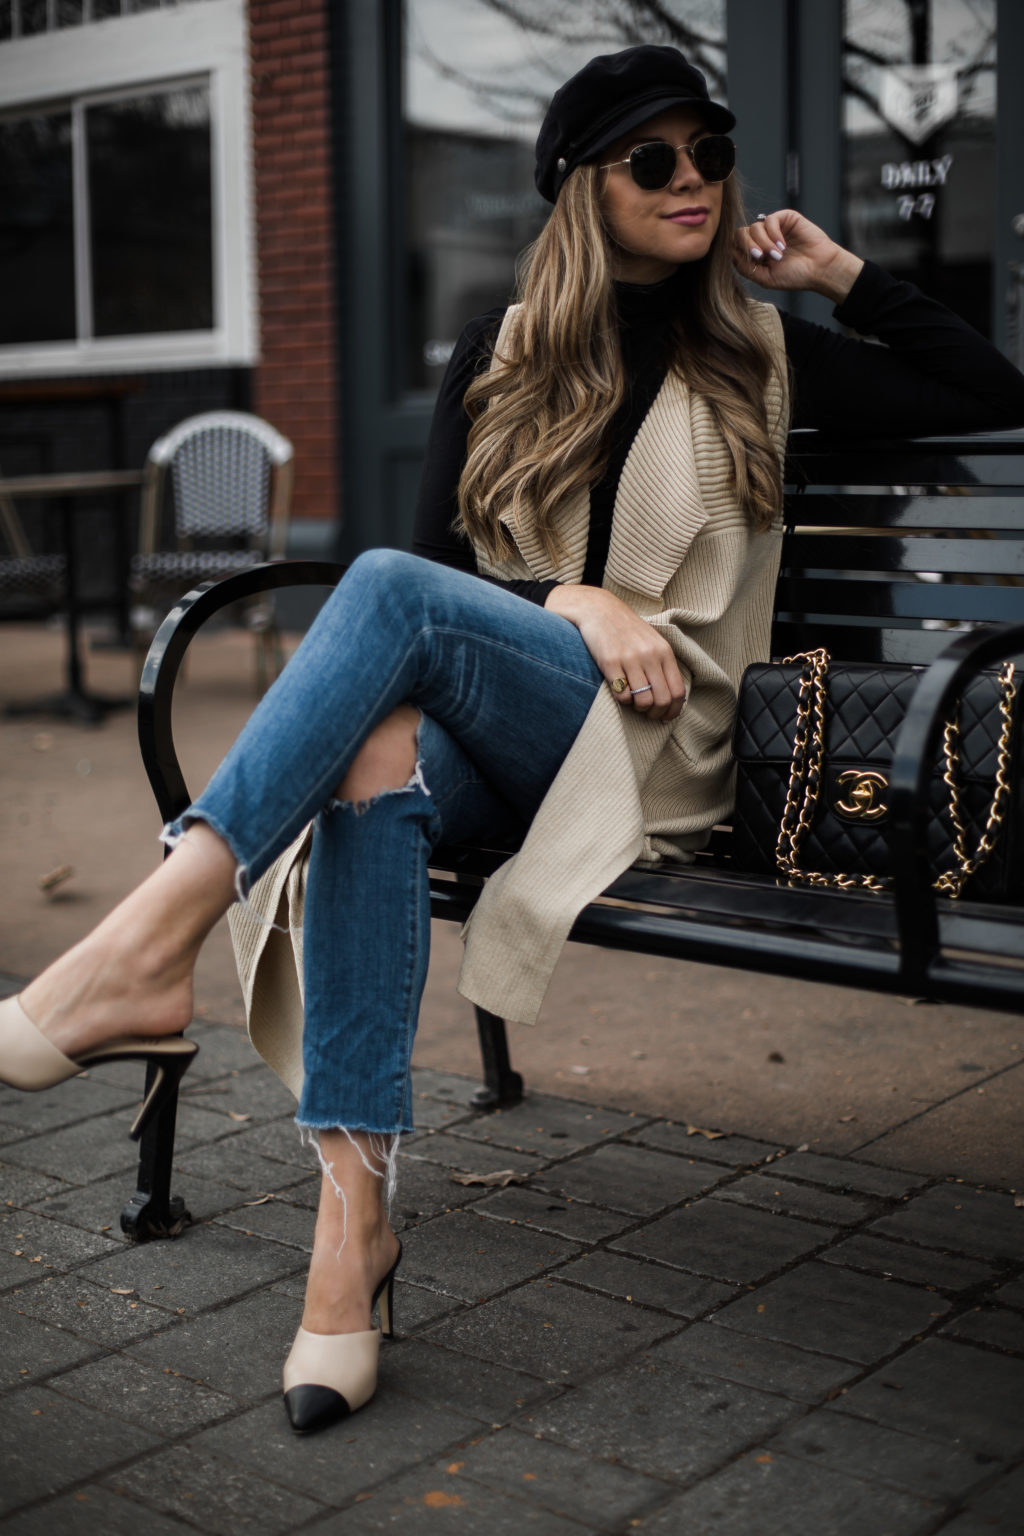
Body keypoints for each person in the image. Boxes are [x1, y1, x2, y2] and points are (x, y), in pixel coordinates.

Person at [2, 46, 1023, 1437]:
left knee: (373, 600)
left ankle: (148, 942)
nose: (693, 183)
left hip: (668, 742)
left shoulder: (767, 351)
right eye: (652, 161)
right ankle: (349, 1238)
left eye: (710, 157)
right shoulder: (500, 348)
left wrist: (843, 276)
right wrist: (571, 600)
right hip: (520, 728)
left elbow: (991, 389)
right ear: (580, 190)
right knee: (373, 758)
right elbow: (431, 573)